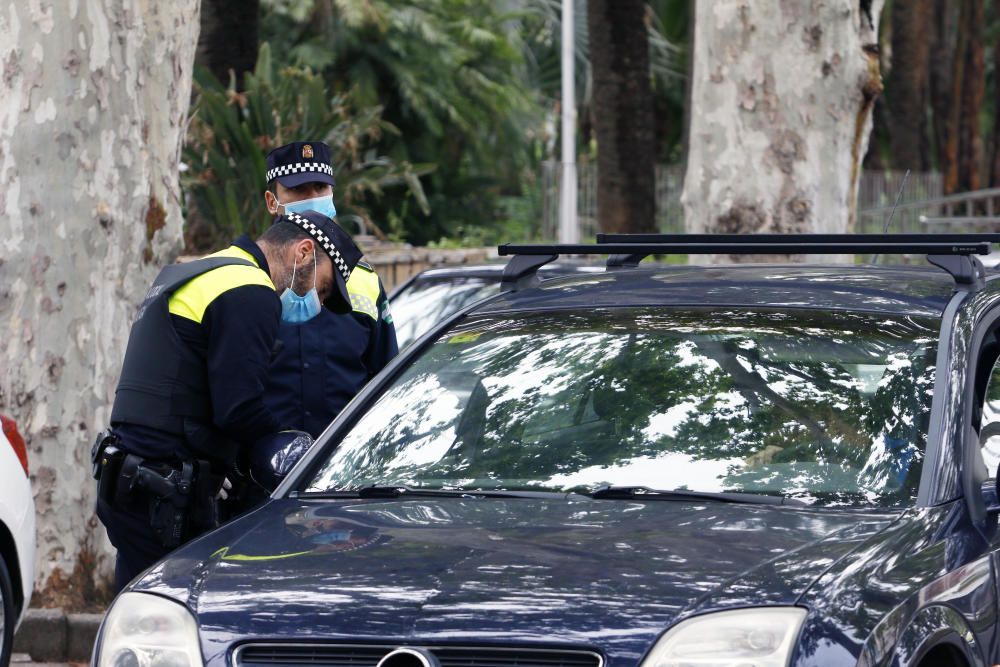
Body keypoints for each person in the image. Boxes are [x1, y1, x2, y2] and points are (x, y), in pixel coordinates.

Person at [93, 209, 362, 592]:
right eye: (322, 288)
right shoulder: (250, 289)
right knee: (167, 626)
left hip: (132, 481)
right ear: (303, 253)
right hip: (163, 494)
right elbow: (239, 409)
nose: (316, 301)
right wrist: (302, 456)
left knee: (136, 611)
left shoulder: (207, 270)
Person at [261, 141, 398, 438]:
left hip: (344, 466)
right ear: (272, 202)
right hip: (262, 468)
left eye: (320, 188)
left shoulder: (364, 279)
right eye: (298, 191)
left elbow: (387, 377)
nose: (312, 198)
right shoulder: (252, 276)